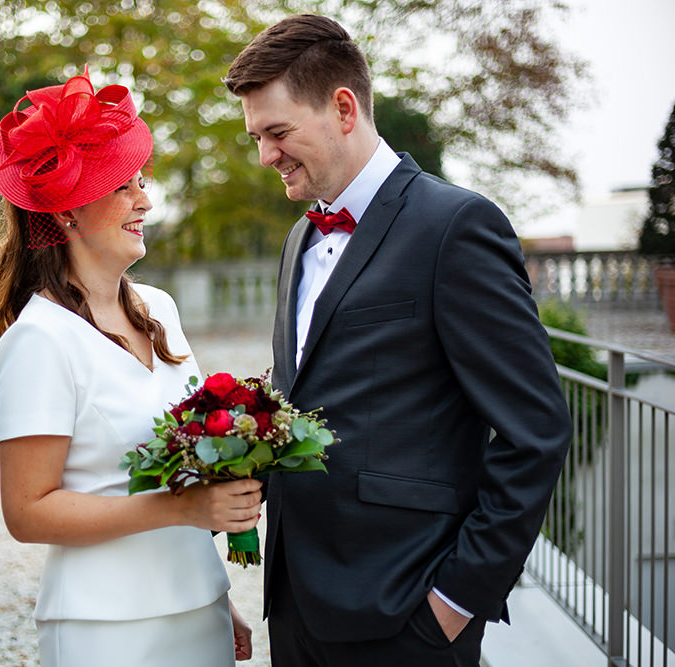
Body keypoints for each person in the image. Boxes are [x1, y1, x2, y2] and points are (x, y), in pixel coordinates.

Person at [223, 14, 573, 666]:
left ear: (344, 108)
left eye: (277, 132)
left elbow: (537, 430)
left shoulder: (458, 227)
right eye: (257, 137)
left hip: (406, 616)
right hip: (296, 607)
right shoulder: (298, 239)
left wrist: (455, 600)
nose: (266, 154)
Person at [0, 66, 261, 667]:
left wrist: (213, 593)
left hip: (199, 606)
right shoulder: (38, 341)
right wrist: (183, 510)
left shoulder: (160, 309)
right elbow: (27, 512)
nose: (146, 200)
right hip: (106, 628)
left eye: (141, 181)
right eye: (123, 185)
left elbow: (188, 463)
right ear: (65, 214)